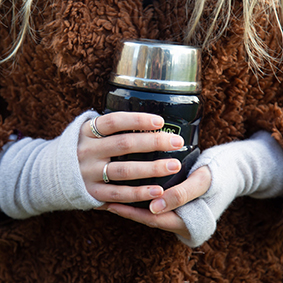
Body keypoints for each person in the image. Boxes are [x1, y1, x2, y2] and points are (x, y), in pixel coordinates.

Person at [1, 0, 283, 281]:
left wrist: (246, 170)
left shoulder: (272, 11)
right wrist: (38, 173)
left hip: (235, 266)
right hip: (46, 264)